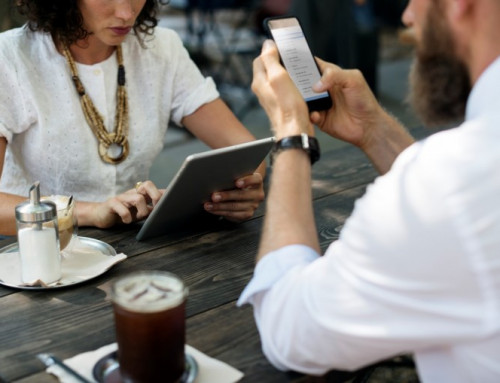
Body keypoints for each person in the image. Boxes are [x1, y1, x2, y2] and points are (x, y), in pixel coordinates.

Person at [238, 0, 500, 381]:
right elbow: (455, 228)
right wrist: (375, 130)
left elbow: (290, 330)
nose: (407, 15)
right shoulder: (461, 180)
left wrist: (292, 134)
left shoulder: (454, 181)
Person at [0, 0, 266, 237]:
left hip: (134, 244)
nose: (127, 13)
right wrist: (91, 212)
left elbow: (247, 152)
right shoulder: (10, 58)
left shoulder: (161, 48)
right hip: (32, 251)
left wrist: (241, 191)